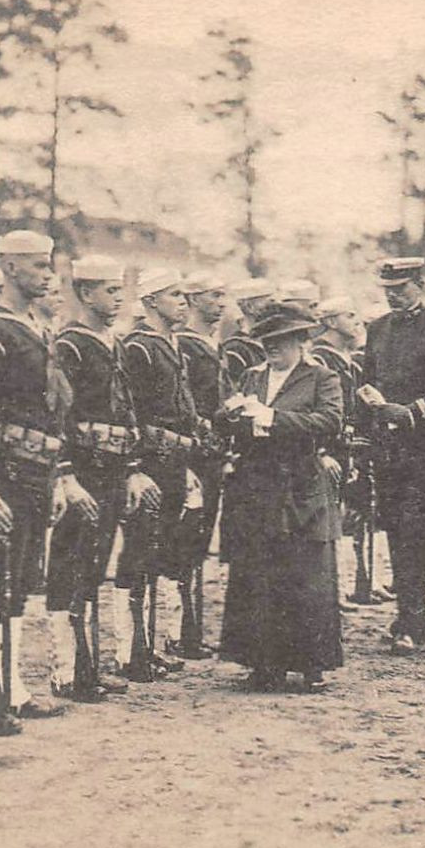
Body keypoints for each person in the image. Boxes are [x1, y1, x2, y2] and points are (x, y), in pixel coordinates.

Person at [0, 230, 81, 733]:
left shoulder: (37, 327)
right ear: (9, 268)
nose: (48, 275)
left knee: (20, 585)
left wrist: (57, 475)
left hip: (38, 470)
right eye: (37, 266)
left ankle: (12, 686)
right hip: (5, 473)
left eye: (49, 265)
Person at [46, 254, 158, 695]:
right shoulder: (69, 344)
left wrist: (131, 468)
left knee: (95, 564)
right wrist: (67, 476)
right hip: (83, 468)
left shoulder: (114, 341)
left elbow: (126, 407)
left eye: (120, 290)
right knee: (70, 563)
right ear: (85, 293)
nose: (117, 299)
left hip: (112, 467)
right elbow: (60, 413)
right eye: (109, 291)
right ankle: (65, 671)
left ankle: (88, 666)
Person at [218, 303, 344, 692]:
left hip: (301, 485)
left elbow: (329, 422)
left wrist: (272, 419)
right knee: (260, 572)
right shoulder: (252, 377)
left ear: (302, 342)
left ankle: (311, 664)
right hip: (256, 487)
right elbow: (228, 423)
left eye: (281, 342)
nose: (272, 349)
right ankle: (263, 661)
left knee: (305, 574)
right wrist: (232, 415)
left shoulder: (322, 378)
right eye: (266, 342)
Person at [356, 257, 425, 655]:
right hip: (387, 447)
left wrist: (415, 412)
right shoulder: (378, 329)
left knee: (417, 529)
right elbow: (368, 380)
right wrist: (367, 413)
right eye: (387, 289)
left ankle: (413, 618)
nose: (393, 296)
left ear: (420, 283)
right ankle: (406, 612)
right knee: (395, 529)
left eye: (400, 289)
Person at [123, 268, 208, 667]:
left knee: (161, 551)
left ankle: (152, 645)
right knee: (139, 552)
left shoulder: (171, 345)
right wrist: (136, 465)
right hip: (151, 461)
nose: (183, 302)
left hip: (175, 461)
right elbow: (132, 413)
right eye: (174, 295)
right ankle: (131, 650)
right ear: (151, 301)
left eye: (184, 296)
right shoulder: (139, 347)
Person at [175, 270, 231, 650]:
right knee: (185, 540)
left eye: (223, 294)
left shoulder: (212, 344)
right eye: (213, 295)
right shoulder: (185, 344)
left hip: (214, 454)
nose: (221, 302)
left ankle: (190, 628)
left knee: (199, 540)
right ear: (192, 300)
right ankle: (180, 631)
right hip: (192, 454)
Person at [308, 296, 366, 610]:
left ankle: (335, 589)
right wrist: (319, 450)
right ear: (330, 321)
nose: (357, 321)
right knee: (322, 519)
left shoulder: (346, 359)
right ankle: (324, 591)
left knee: (337, 517)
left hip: (343, 449)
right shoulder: (319, 358)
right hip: (324, 451)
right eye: (350, 314)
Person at [220, 279, 274, 394]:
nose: (274, 309)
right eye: (268, 303)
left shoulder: (265, 343)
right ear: (250, 307)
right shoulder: (236, 348)